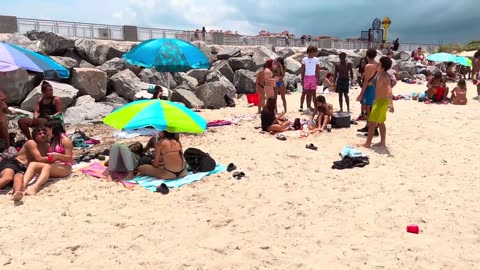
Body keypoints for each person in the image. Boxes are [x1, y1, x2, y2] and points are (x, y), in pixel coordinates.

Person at [22, 120, 73, 195]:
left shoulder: (65, 140)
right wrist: (52, 157)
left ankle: (35, 187)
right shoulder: (52, 140)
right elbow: (46, 158)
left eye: (47, 130)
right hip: (54, 165)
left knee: (47, 167)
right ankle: (22, 186)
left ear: (52, 129)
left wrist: (58, 156)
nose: (46, 133)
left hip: (65, 166)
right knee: (33, 164)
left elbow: (70, 158)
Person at [0, 127, 50, 201]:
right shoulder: (31, 142)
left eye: (44, 133)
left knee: (19, 178)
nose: (42, 135)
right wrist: (55, 157)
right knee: (8, 177)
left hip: (23, 168)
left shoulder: (47, 146)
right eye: (39, 134)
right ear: (34, 135)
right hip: (14, 163)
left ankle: (16, 193)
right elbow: (38, 159)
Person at [361, 56, 394, 148]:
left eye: (379, 64)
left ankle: (367, 143)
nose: (377, 65)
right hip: (379, 101)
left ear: (383, 67)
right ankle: (382, 142)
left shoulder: (384, 76)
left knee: (372, 123)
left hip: (381, 102)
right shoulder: (380, 73)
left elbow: (389, 89)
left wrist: (391, 103)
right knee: (380, 122)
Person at [356, 49, 379, 135]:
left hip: (369, 88)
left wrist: (361, 94)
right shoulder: (377, 64)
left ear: (366, 55)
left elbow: (366, 81)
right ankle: (368, 126)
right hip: (374, 87)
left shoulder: (368, 66)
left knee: (369, 109)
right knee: (371, 108)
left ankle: (373, 129)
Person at [300, 45, 321, 111]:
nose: (315, 53)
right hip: (306, 77)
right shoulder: (304, 59)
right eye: (315, 52)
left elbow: (317, 70)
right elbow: (302, 70)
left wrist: (318, 78)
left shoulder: (316, 59)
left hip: (313, 77)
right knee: (307, 94)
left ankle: (315, 107)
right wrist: (302, 79)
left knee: (314, 93)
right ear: (310, 51)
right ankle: (308, 107)